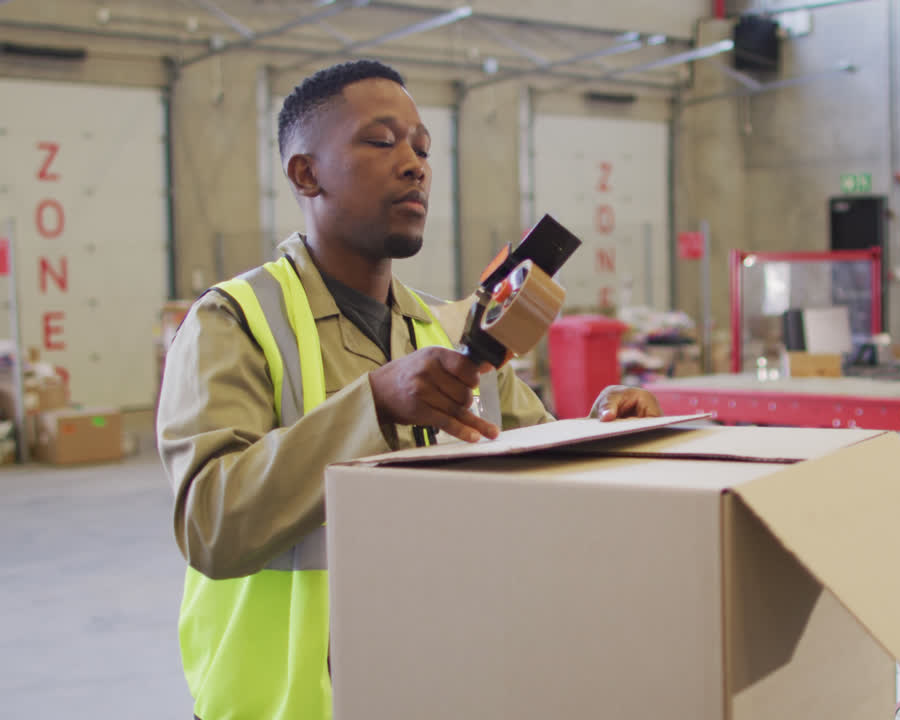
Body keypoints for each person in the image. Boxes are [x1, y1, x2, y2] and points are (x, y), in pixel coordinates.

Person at [156, 59, 660, 720]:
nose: (414, 165)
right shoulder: (236, 322)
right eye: (381, 140)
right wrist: (372, 405)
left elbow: (544, 470)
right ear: (306, 174)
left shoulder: (450, 331)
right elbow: (211, 526)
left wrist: (607, 430)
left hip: (432, 689)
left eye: (422, 148)